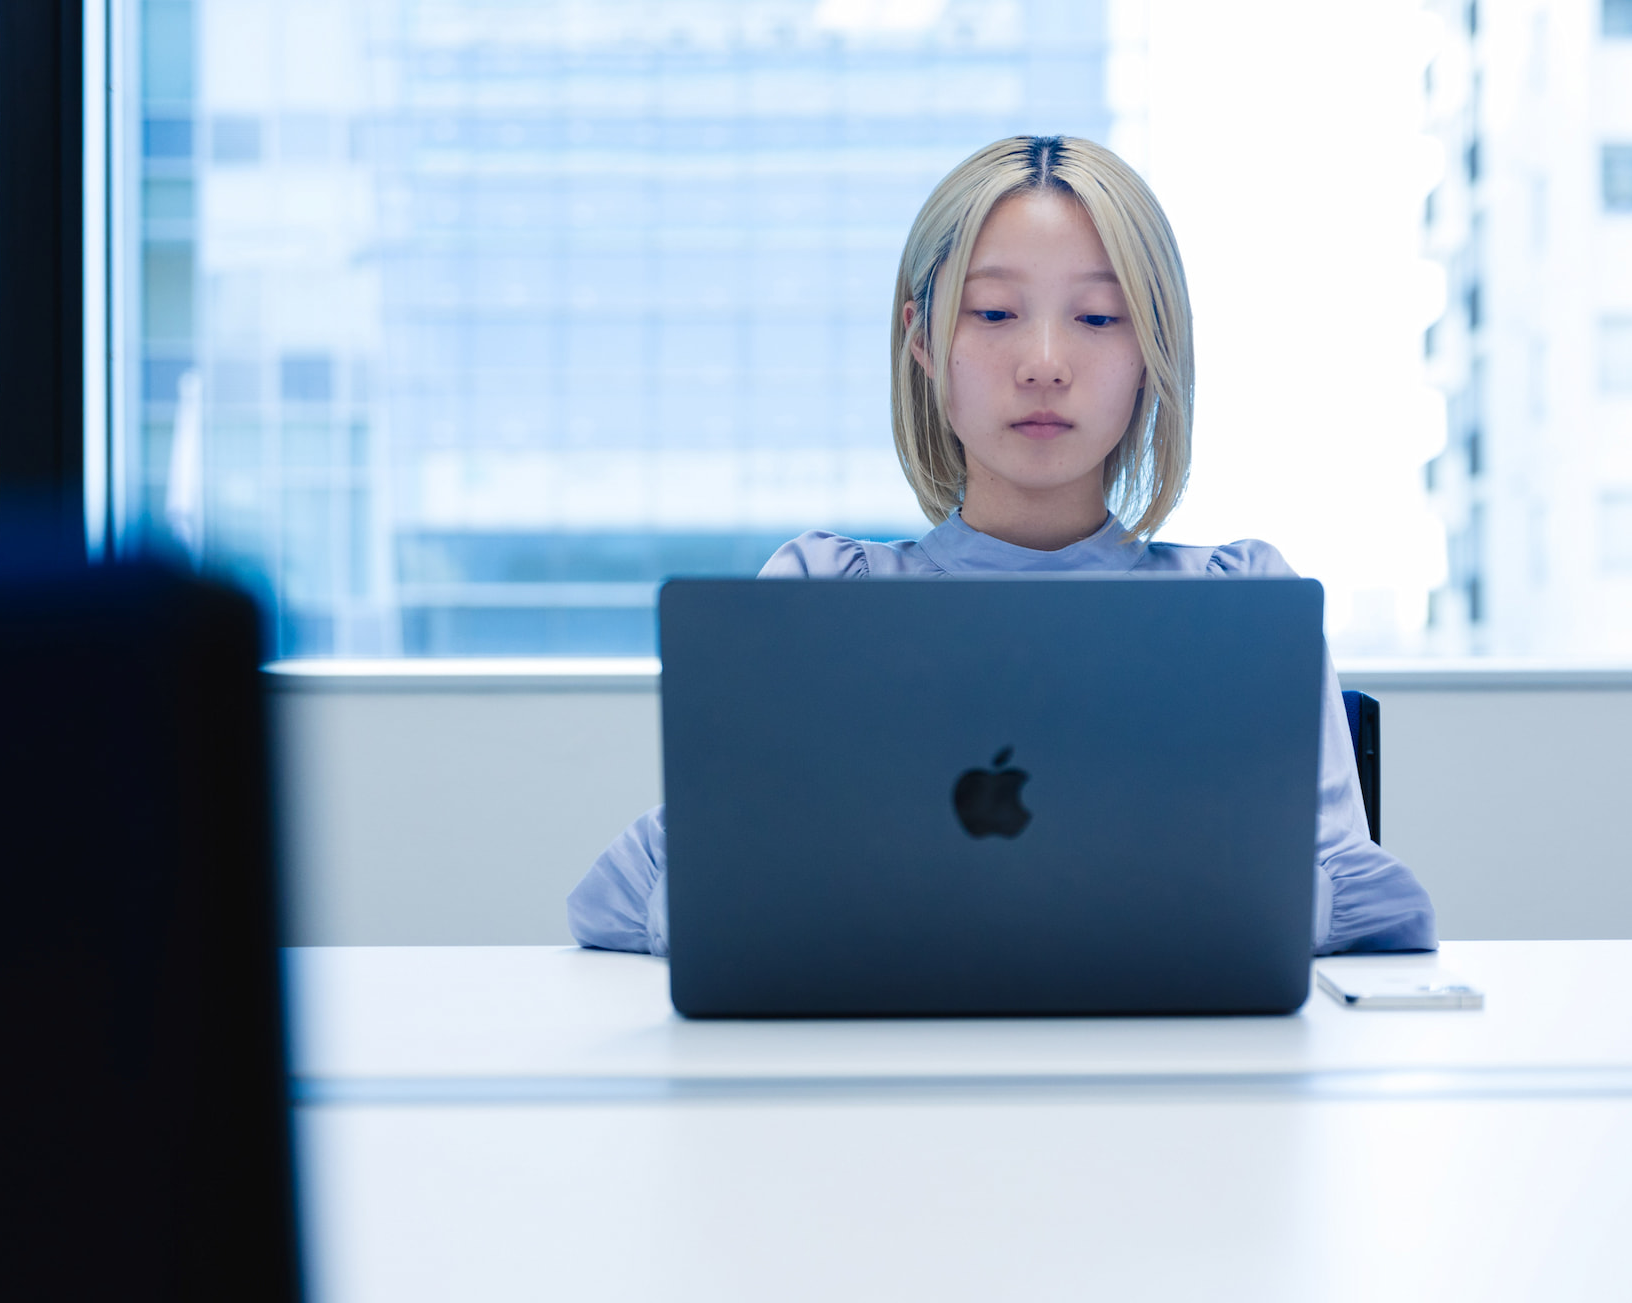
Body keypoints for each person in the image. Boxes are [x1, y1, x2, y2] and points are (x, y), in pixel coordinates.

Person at [569, 134, 1436, 959]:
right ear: (922, 340)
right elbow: (650, 893)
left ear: (1154, 350)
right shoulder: (820, 595)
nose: (1045, 362)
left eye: (1098, 316)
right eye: (993, 312)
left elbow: (1365, 898)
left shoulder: (1243, 603)